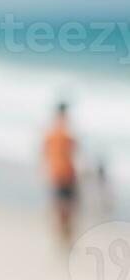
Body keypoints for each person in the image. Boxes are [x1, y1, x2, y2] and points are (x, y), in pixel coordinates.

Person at [43, 101, 79, 248]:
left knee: (61, 209)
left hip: (57, 174)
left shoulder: (51, 133)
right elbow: (75, 152)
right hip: (65, 175)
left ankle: (63, 239)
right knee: (66, 209)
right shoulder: (65, 134)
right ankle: (65, 240)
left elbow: (44, 153)